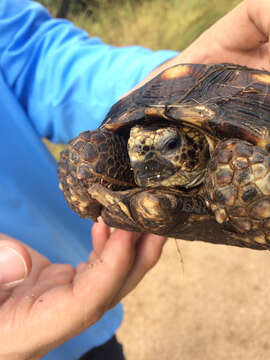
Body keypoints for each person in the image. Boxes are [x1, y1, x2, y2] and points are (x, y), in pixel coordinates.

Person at [1, 0, 270, 359]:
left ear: (193, 146)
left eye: (169, 144)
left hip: (72, 308)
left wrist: (167, 75)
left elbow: (31, 55)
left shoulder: (229, 159)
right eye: (136, 147)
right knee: (90, 157)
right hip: (52, 291)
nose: (142, 154)